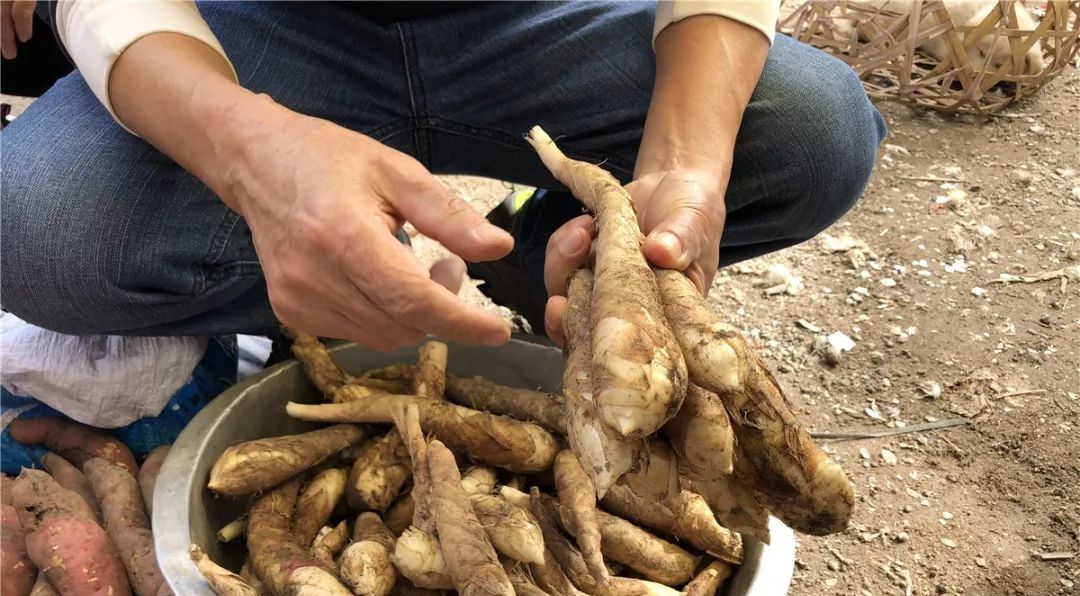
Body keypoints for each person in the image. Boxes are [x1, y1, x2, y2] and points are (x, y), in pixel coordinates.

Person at [0, 1, 886, 351]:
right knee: (36, 228)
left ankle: (523, 244)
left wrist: (681, 164)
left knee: (812, 132)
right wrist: (254, 156)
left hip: (537, 17)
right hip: (257, 22)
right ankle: (346, 270)